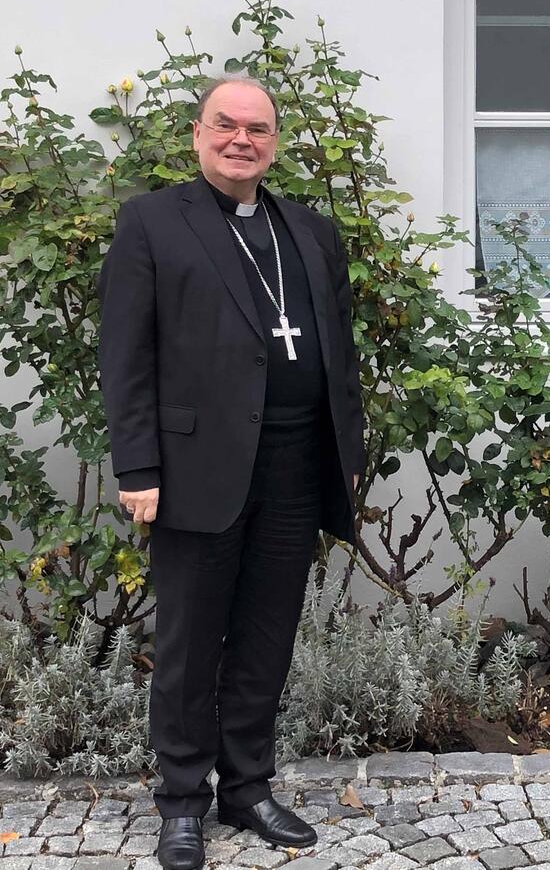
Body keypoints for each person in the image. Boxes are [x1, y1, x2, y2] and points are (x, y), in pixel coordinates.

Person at [98, 76, 365, 870]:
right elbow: (125, 355)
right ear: (198, 132)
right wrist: (137, 463)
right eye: (227, 125)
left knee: (264, 635)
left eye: (258, 128)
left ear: (274, 140)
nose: (241, 138)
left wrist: (346, 460)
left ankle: (247, 786)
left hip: (294, 464)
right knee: (188, 643)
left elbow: (340, 355)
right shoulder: (151, 222)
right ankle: (181, 800)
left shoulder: (310, 231)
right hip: (193, 470)